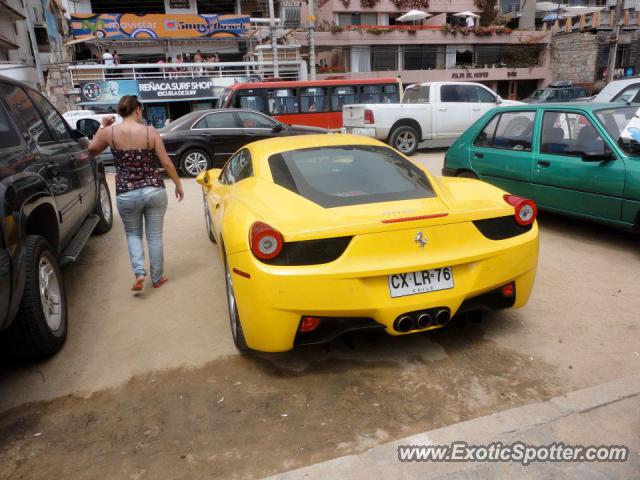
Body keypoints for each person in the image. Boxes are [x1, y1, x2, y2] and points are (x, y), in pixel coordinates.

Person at [88, 95, 184, 292]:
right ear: (138, 110)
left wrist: (102, 126)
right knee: (155, 237)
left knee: (133, 234)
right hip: (154, 190)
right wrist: (178, 184)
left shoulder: (109, 132)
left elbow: (92, 149)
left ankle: (139, 273)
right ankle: (157, 278)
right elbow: (166, 162)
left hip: (126, 192)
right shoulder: (150, 132)